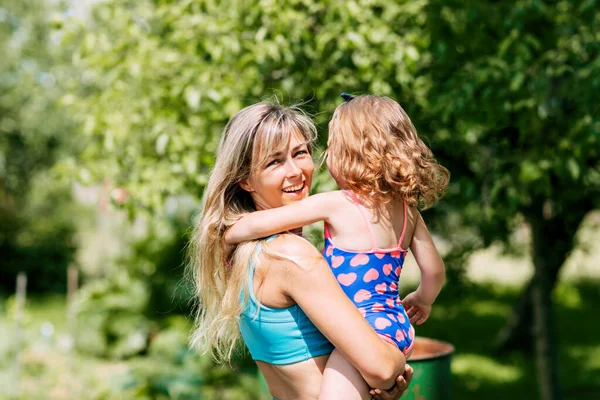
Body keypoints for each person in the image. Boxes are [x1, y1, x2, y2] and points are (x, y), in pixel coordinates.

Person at [225, 94, 449, 398]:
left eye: (302, 152)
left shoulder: (331, 206)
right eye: (275, 161)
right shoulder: (408, 211)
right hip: (393, 324)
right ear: (245, 181)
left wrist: (228, 233)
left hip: (369, 328)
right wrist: (421, 302)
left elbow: (258, 223)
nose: (296, 171)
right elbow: (434, 271)